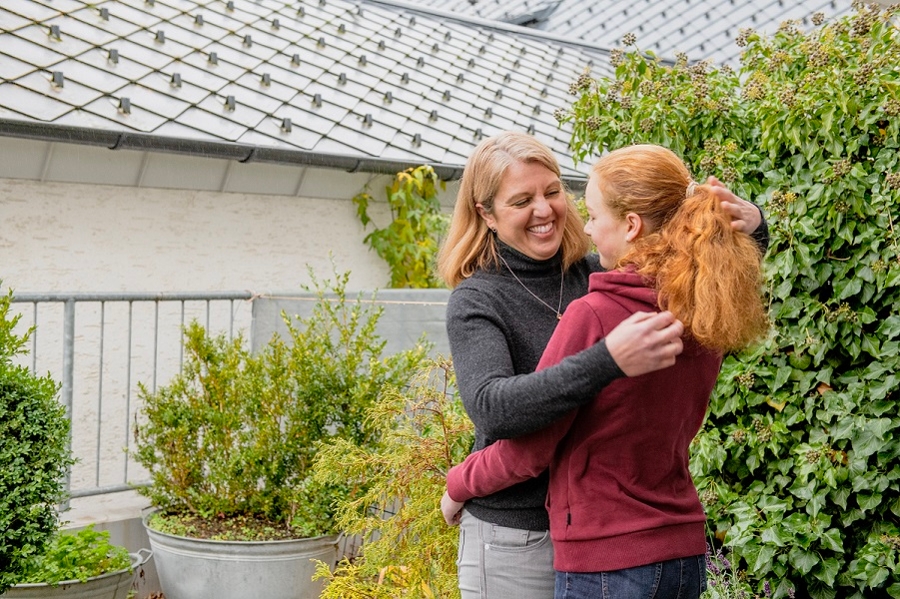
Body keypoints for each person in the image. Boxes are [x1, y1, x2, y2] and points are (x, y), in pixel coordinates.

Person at [436, 132, 768, 599]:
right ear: (486, 214)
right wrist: (605, 360)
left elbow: (699, 266)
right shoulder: (478, 299)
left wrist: (753, 226)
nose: (545, 209)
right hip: (518, 534)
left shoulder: (604, 281)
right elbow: (495, 410)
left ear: (629, 225)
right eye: (522, 201)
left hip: (601, 540)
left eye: (553, 191)